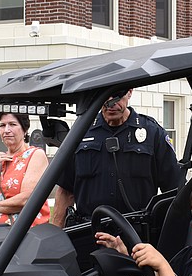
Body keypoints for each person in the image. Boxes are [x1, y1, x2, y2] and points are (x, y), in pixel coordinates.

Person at [51, 88, 183, 227]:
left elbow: (173, 191)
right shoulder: (81, 132)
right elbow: (66, 191)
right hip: (89, 232)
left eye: (117, 97)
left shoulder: (152, 133)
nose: (110, 103)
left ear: (130, 92)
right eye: (105, 97)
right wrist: (56, 238)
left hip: (137, 234)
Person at [0, 111, 51, 226]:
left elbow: (26, 200)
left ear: (24, 129)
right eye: (2, 125)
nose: (7, 130)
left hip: (25, 235)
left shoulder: (35, 155)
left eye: (12, 124)